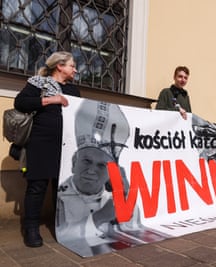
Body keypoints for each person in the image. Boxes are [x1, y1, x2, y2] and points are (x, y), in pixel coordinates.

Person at [56, 100, 165, 257]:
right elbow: (64, 235)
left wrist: (126, 203)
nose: (92, 171)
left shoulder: (115, 196)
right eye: (86, 161)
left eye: (101, 165)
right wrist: (99, 217)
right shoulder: (61, 196)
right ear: (74, 163)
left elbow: (135, 230)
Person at [14, 51, 80, 247]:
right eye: (72, 66)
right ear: (59, 66)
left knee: (62, 187)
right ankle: (31, 228)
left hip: (66, 145)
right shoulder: (38, 83)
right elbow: (21, 103)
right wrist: (51, 100)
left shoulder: (74, 91)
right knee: (37, 186)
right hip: (41, 143)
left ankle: (62, 225)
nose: (75, 70)